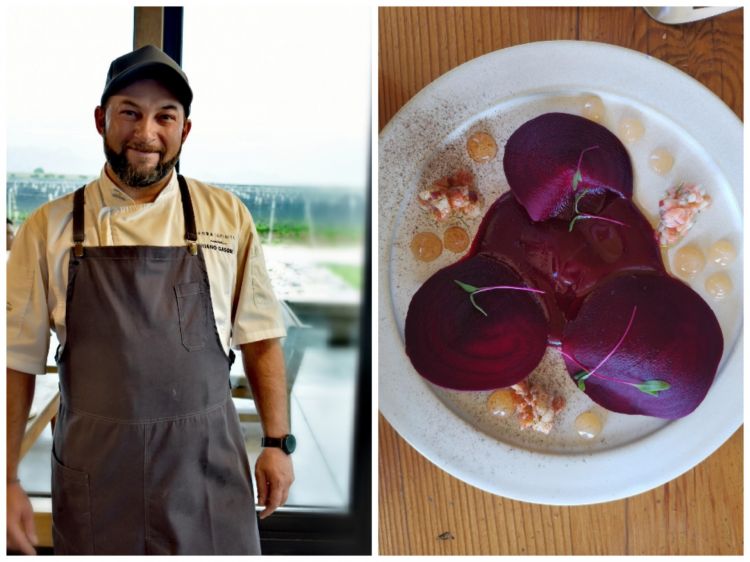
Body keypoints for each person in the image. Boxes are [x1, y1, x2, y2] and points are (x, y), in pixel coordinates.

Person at [6, 45, 295, 555]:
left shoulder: (226, 216)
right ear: (101, 120)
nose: (147, 134)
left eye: (165, 116)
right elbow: (16, 362)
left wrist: (276, 444)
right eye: (130, 114)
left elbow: (261, 336)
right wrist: (5, 479)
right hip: (98, 469)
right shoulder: (47, 228)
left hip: (205, 464)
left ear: (185, 129)